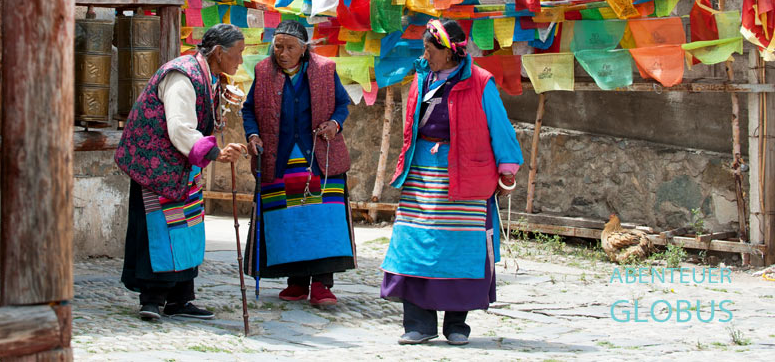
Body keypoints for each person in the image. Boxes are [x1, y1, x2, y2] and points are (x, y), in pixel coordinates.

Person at [380, 18, 523, 346]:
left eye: (430, 50)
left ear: (449, 52)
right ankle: (419, 324)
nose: (425, 55)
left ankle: (456, 324)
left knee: (460, 248)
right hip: (421, 175)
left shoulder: (480, 82)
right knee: (413, 246)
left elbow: (500, 127)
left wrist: (507, 168)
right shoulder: (421, 78)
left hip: (465, 175)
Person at [115, 23, 247, 322]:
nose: (240, 61)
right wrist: (214, 152)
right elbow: (179, 127)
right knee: (159, 229)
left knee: (186, 226)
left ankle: (181, 298)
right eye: (237, 54)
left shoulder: (209, 75)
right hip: (155, 164)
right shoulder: (182, 75)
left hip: (180, 164)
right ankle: (151, 299)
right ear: (217, 52)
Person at [242, 20, 355, 306]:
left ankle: (321, 285)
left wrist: (334, 123)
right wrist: (253, 135)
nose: (282, 52)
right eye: (278, 46)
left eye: (290, 47)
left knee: (320, 220)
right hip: (280, 158)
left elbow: (342, 105)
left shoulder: (325, 70)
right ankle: (296, 282)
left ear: (304, 49)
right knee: (288, 220)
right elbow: (249, 110)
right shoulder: (263, 71)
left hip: (317, 157)